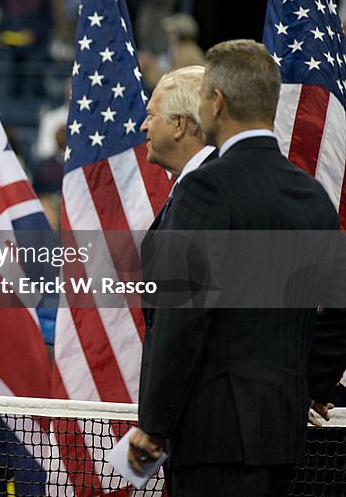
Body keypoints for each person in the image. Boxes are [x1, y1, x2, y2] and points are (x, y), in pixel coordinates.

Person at [129, 40, 340, 495]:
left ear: (216, 103)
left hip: (212, 437)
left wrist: (154, 425)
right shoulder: (313, 197)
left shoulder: (204, 190)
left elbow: (182, 318)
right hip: (282, 440)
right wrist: (310, 381)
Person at [138, 65, 214, 223]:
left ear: (180, 124)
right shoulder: (196, 186)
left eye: (151, 116)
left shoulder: (209, 190)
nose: (143, 127)